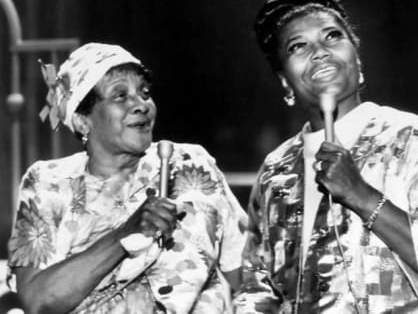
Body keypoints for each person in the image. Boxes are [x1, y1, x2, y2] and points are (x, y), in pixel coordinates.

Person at [233, 0, 418, 313]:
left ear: (357, 58)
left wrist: (362, 196)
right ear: (284, 81)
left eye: (332, 36)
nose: (319, 51)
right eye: (298, 46)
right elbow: (257, 288)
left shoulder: (416, 139)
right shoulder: (275, 171)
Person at [7, 43, 247, 314]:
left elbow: (248, 275)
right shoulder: (48, 182)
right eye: (121, 96)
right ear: (83, 120)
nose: (141, 105)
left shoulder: (190, 165)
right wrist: (127, 232)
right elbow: (38, 301)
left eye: (144, 93)